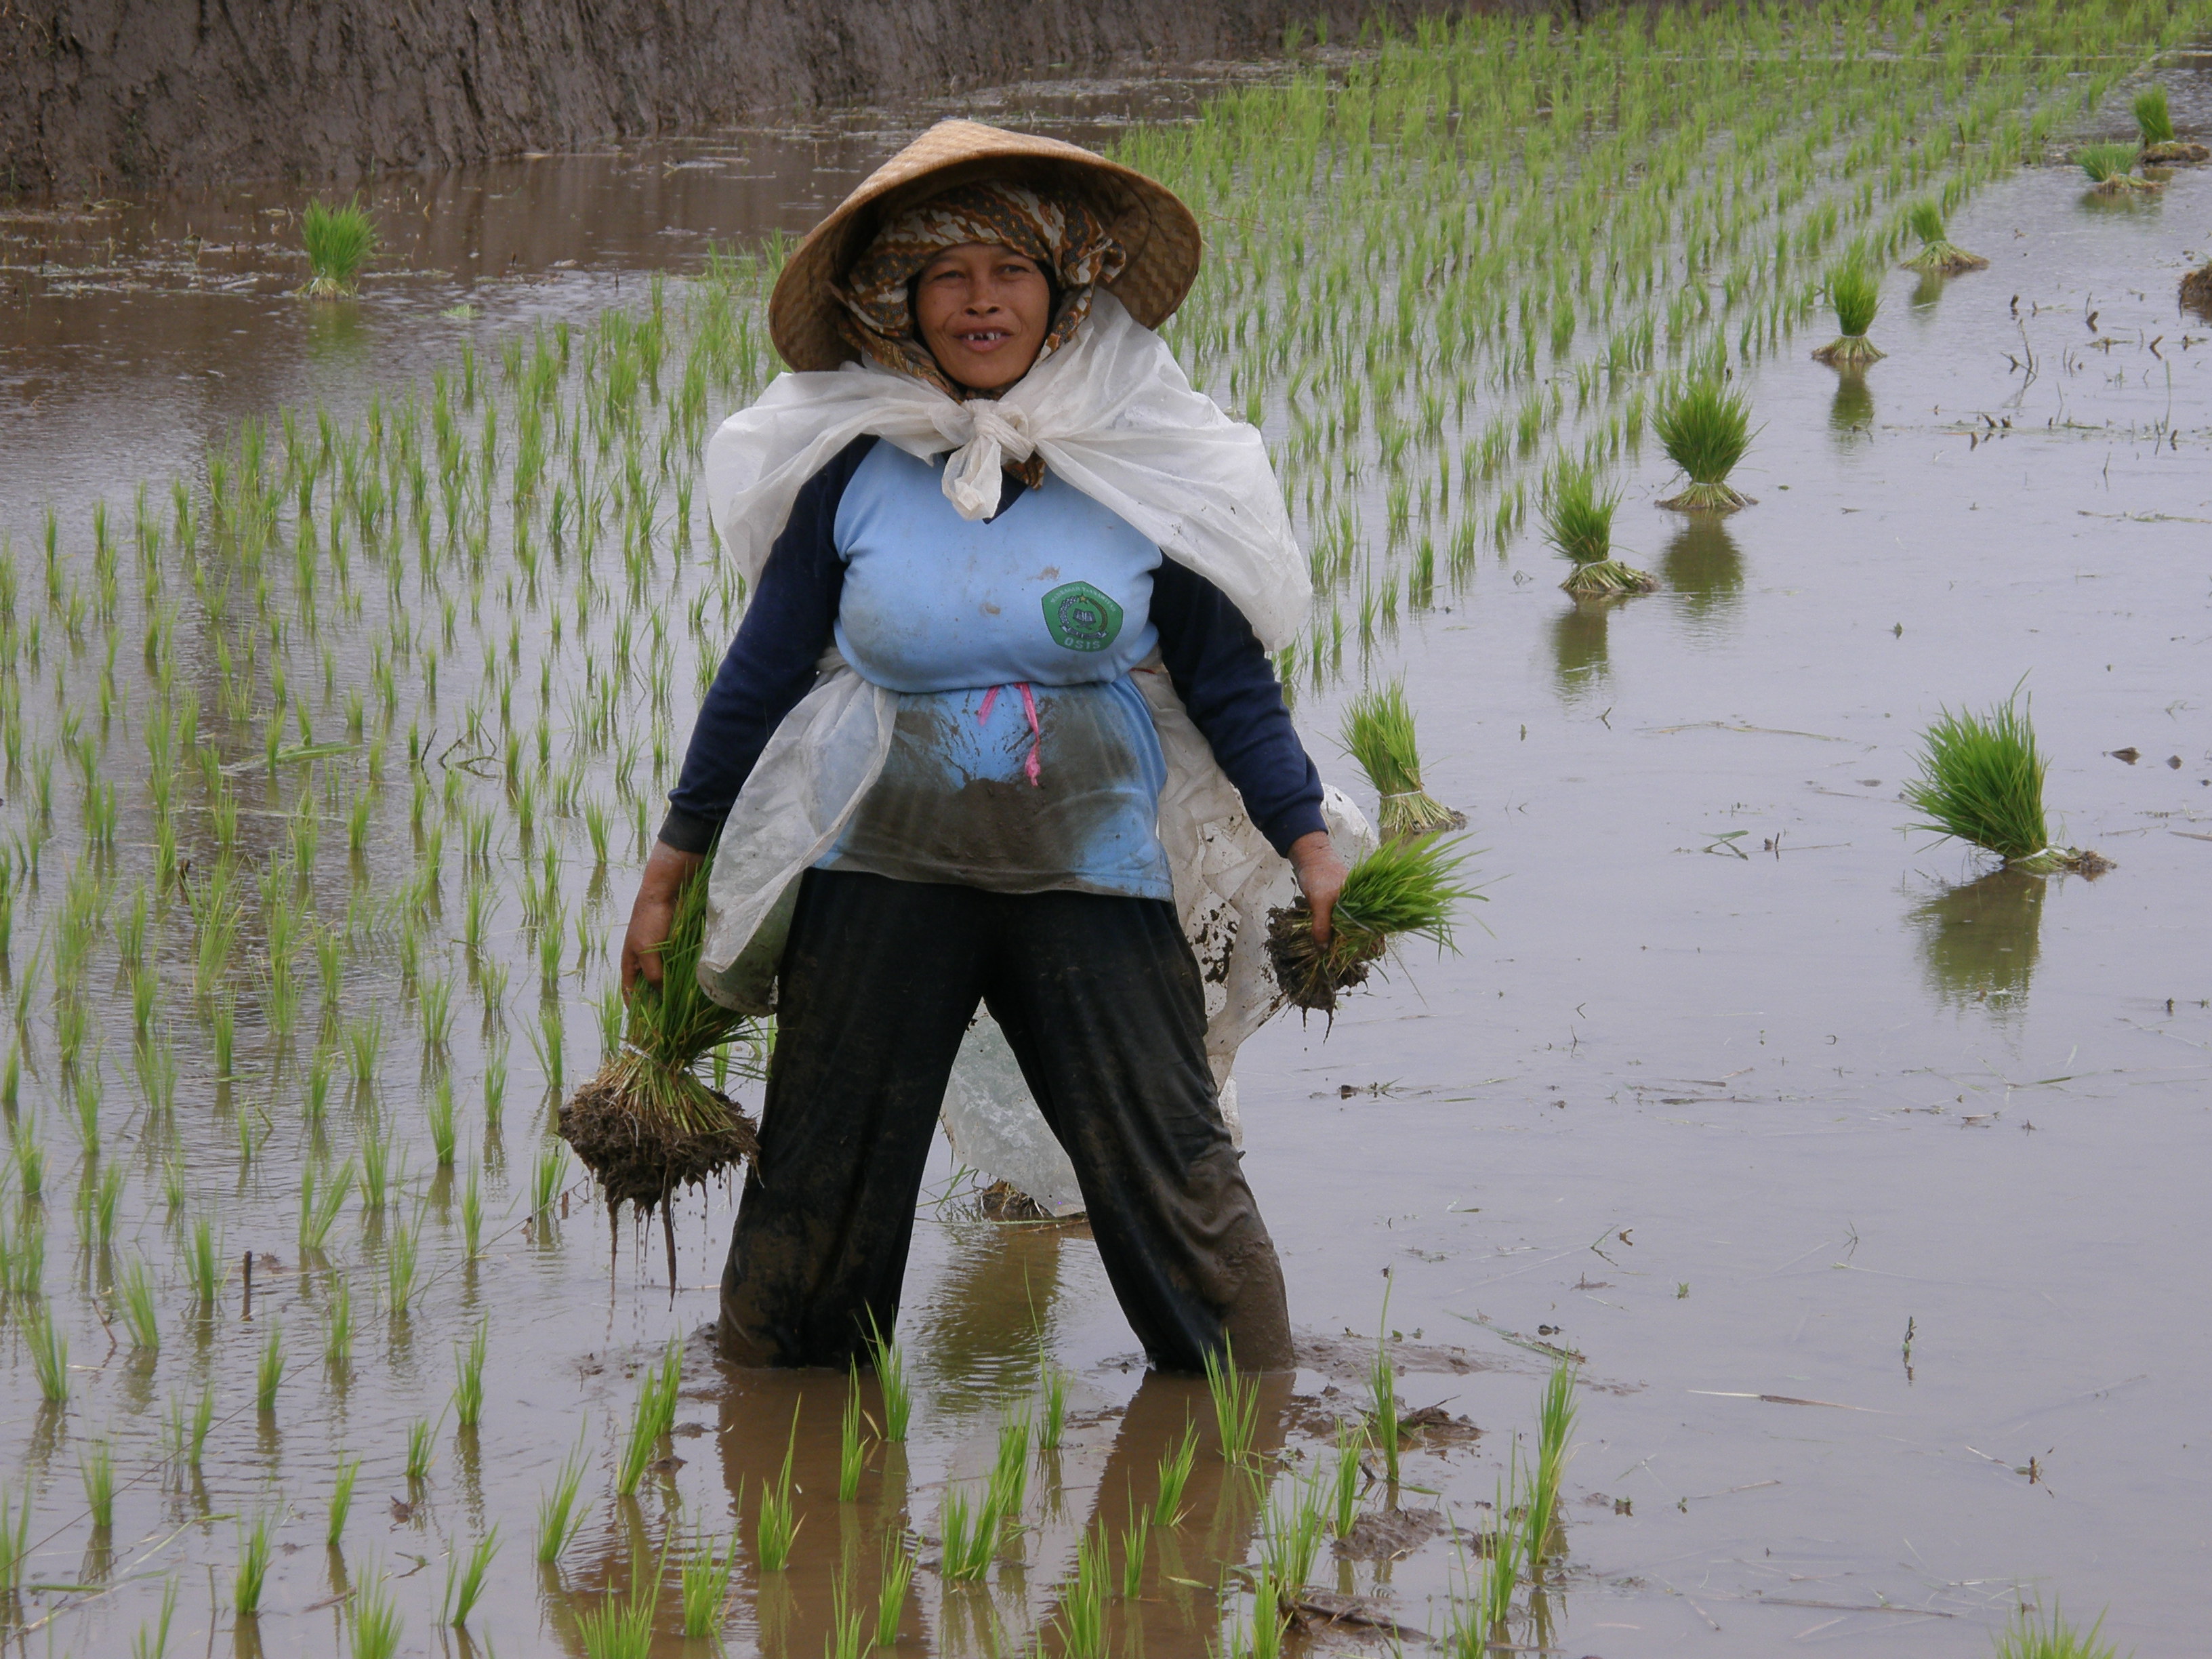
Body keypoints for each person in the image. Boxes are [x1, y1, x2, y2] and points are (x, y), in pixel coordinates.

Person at [620, 120, 1345, 1374]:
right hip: (881, 876)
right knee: (820, 1183)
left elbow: (1229, 681)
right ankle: (782, 1432)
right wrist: (672, 865)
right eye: (947, 276)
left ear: (1062, 294)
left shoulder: (1132, 468)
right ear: (902, 304)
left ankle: (1249, 1415)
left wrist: (1310, 842)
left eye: (1009, 272)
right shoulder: (856, 468)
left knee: (1174, 1174)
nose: (980, 301)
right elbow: (762, 674)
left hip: (1097, 875)